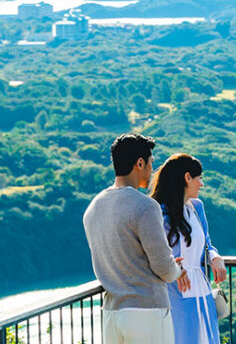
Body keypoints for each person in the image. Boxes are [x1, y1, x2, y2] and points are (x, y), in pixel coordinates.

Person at [83, 133, 184, 344]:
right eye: (150, 163)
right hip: (147, 310)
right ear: (139, 163)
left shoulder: (93, 208)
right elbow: (164, 268)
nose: (151, 170)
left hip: (112, 312)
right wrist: (177, 270)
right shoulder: (145, 206)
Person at [149, 154, 227, 344]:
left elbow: (207, 243)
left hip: (201, 288)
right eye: (199, 178)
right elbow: (153, 253)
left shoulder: (197, 207)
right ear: (187, 177)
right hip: (174, 290)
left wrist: (215, 257)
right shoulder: (157, 211)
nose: (202, 184)